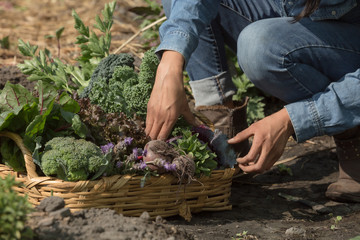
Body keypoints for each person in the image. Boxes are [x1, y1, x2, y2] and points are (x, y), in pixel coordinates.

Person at [145, 0, 360, 203]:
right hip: (299, 16)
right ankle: (223, 142)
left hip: (350, 42)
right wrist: (170, 65)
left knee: (260, 46)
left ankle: (352, 134)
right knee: (181, 4)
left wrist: (293, 119)